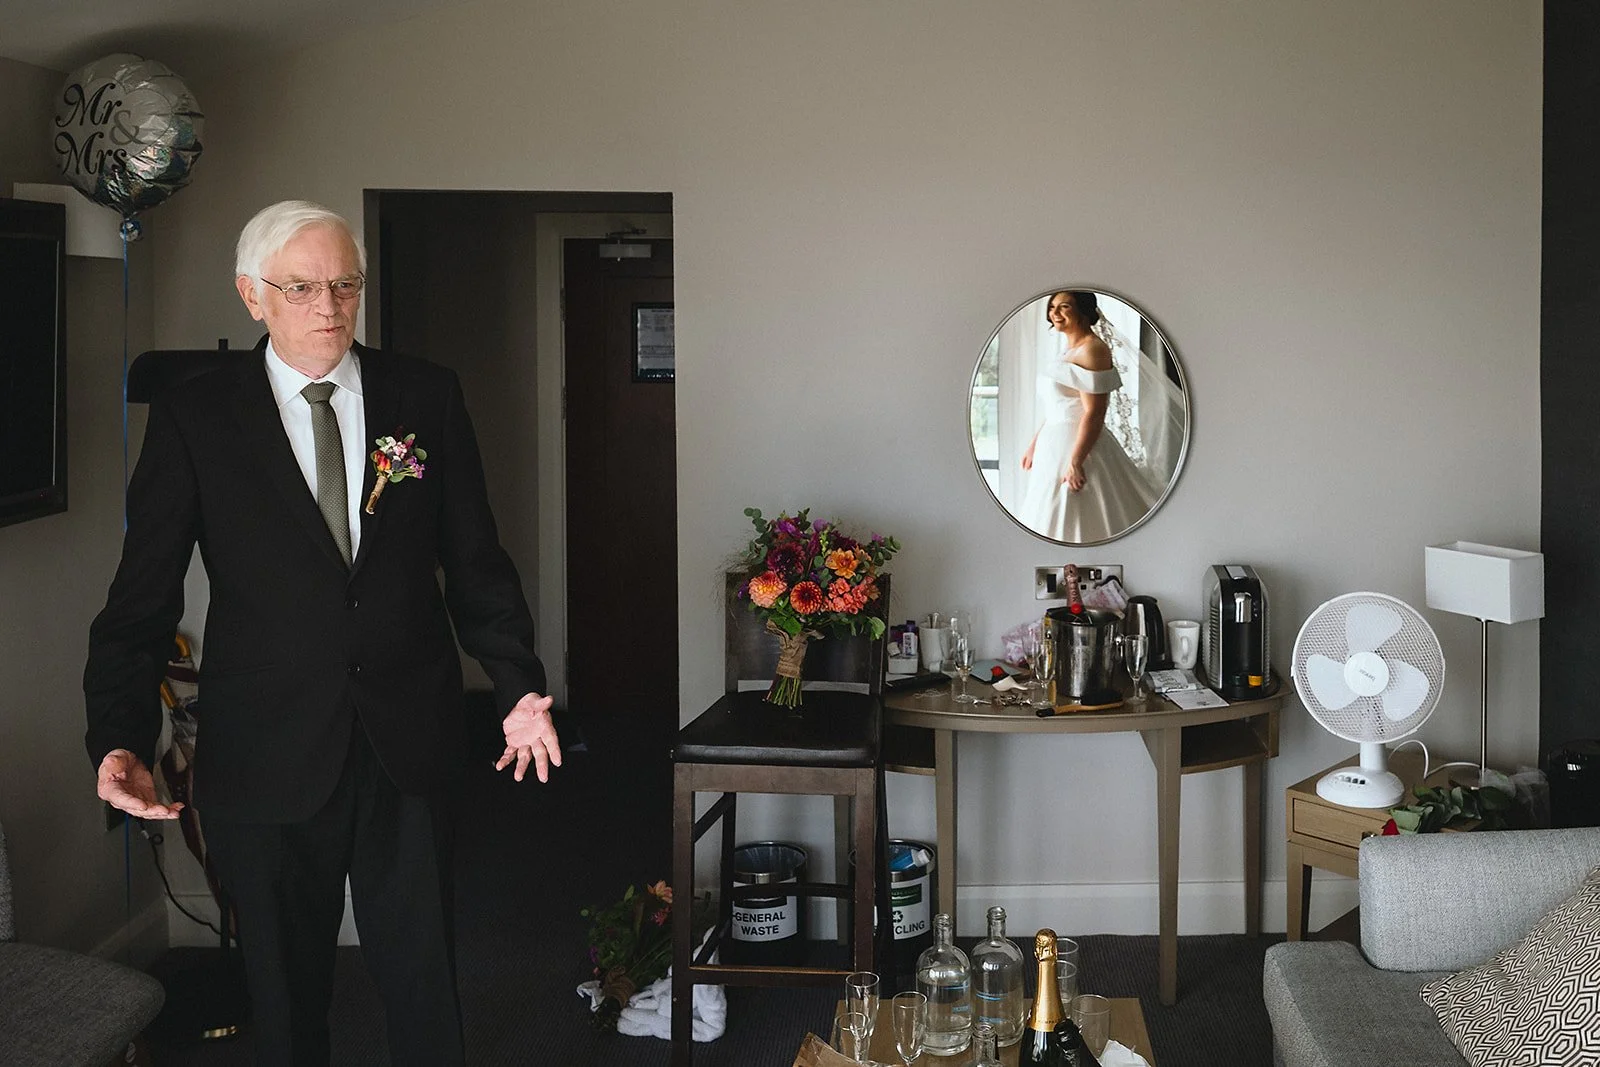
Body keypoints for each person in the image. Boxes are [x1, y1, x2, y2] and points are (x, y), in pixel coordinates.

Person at [83, 200, 561, 1067]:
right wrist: (118, 733)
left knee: (424, 982)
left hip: (405, 738)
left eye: (345, 284)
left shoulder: (426, 393)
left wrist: (519, 684)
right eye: (301, 287)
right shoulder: (195, 418)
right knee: (286, 999)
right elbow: (140, 601)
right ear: (251, 295)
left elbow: (477, 563)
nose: (329, 306)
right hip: (264, 749)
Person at [1017, 290, 1158, 543]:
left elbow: (1095, 412)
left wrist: (1075, 461)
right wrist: (1034, 444)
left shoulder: (1093, 350)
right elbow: (1057, 406)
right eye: (1052, 307)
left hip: (1078, 445)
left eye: (1064, 307)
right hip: (1052, 445)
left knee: (1074, 511)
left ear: (1082, 311)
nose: (1055, 313)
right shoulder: (1068, 351)